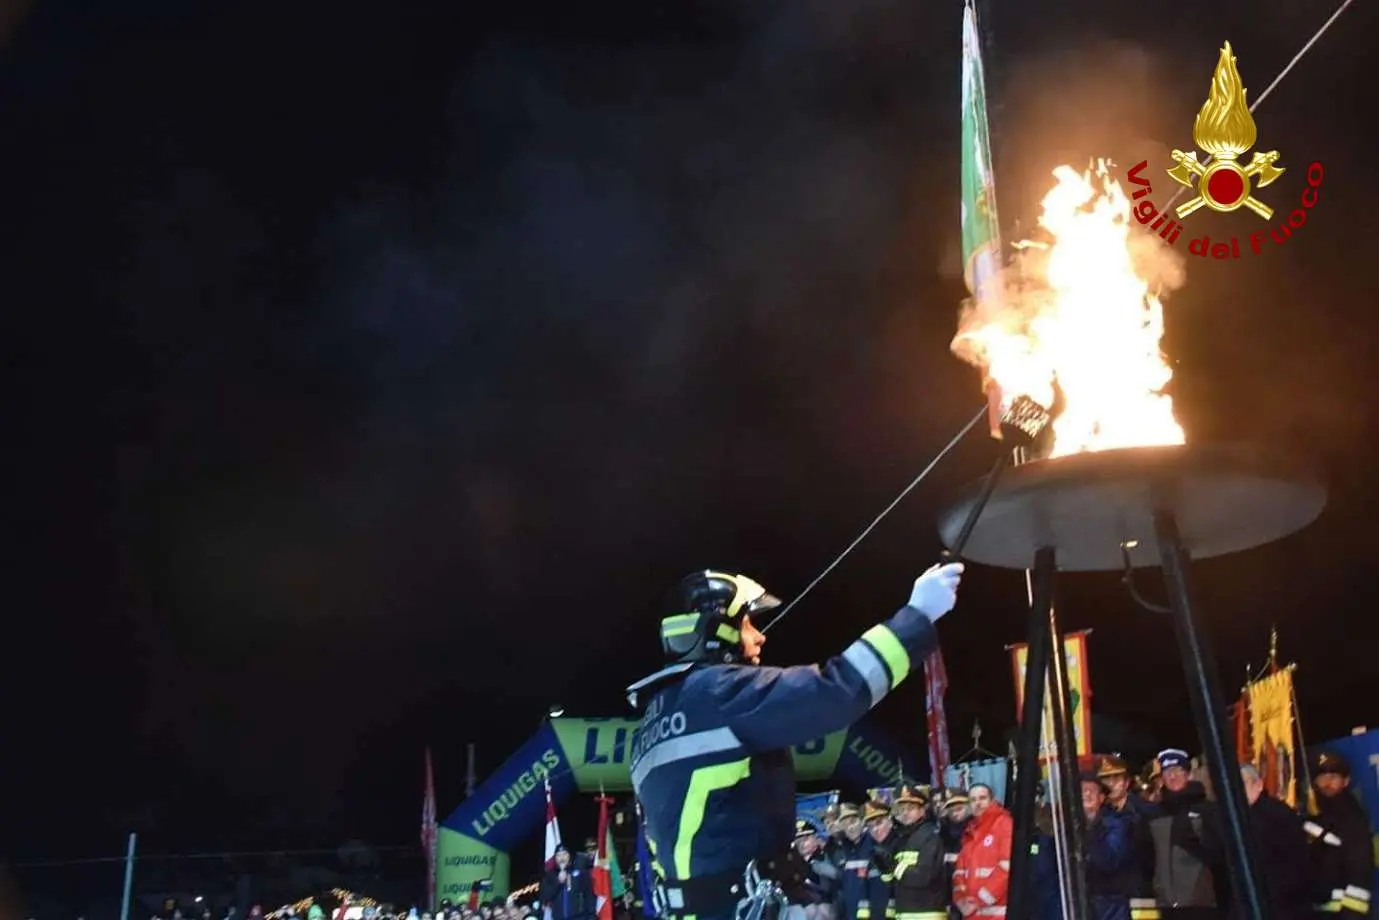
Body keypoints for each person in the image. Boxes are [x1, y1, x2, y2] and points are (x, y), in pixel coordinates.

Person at [627, 564, 965, 920]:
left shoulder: (650, 724)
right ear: (716, 631)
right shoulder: (717, 693)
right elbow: (836, 691)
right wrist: (916, 617)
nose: (760, 637)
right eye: (747, 624)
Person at [1304, 751, 1373, 918]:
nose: (1327, 782)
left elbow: (1360, 872)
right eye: (1322, 777)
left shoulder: (1352, 818)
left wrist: (1351, 915)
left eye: (1334, 776)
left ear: (1346, 782)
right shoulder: (1313, 817)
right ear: (1314, 782)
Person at [883, 785, 948, 920]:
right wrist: (884, 869)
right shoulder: (900, 839)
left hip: (927, 914)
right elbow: (892, 883)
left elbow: (923, 877)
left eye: (911, 808)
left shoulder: (931, 836)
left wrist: (894, 868)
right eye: (902, 809)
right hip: (904, 914)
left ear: (922, 810)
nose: (905, 813)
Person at [951, 784, 1012, 918]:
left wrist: (979, 900)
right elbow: (959, 872)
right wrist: (961, 900)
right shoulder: (970, 831)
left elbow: (1007, 868)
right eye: (973, 800)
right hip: (972, 914)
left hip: (996, 915)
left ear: (992, 800)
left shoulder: (1004, 824)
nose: (977, 803)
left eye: (982, 798)